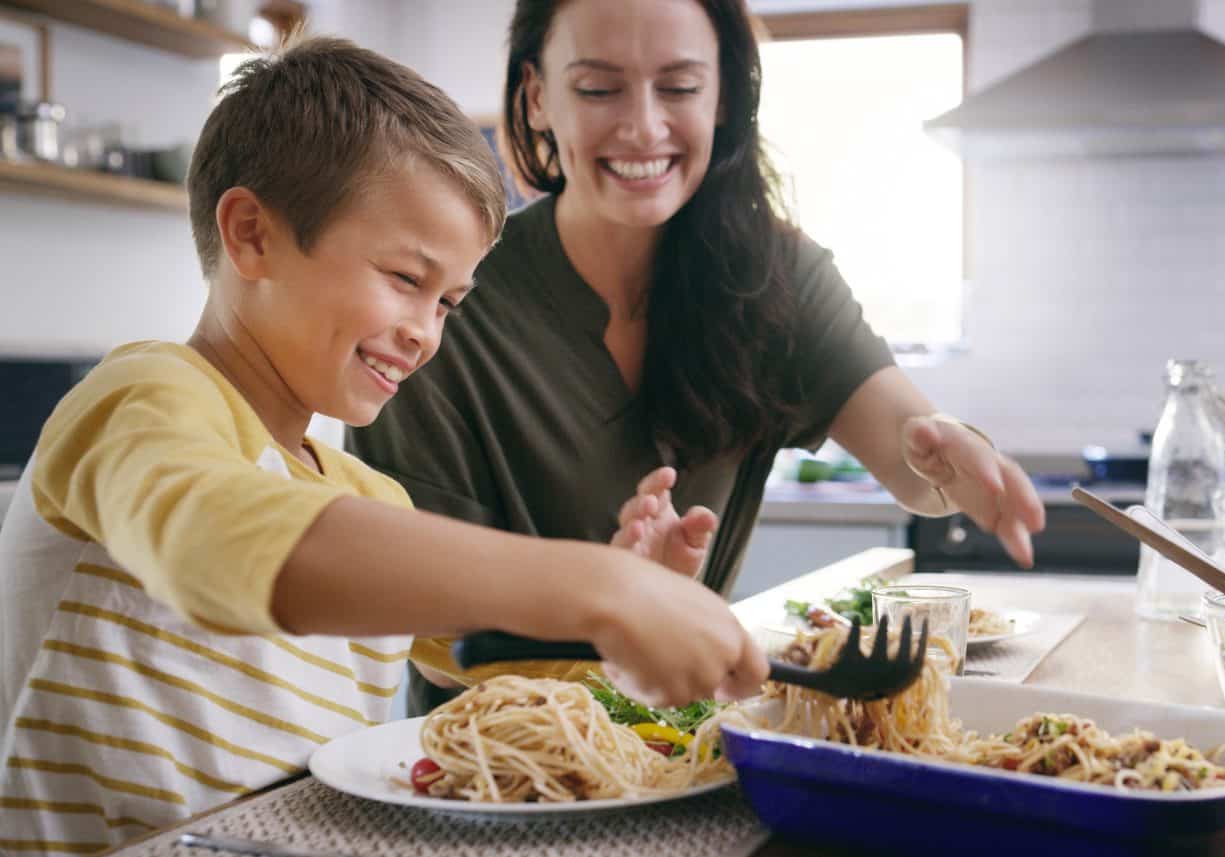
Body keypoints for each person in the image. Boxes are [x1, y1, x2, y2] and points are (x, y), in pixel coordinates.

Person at [0, 36, 766, 852]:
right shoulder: (138, 399)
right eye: (406, 279)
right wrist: (596, 585)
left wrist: (624, 647)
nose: (426, 334)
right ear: (252, 234)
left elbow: (488, 670)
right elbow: (216, 540)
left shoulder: (370, 500)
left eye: (449, 302)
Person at [348, 0, 1047, 717]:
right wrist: (611, 600)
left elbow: (912, 452)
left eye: (679, 87)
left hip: (690, 749)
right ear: (536, 97)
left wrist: (950, 459)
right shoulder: (447, 300)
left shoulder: (777, 277)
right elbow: (425, 613)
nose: (644, 125)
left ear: (723, 96)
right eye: (599, 88)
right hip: (488, 768)